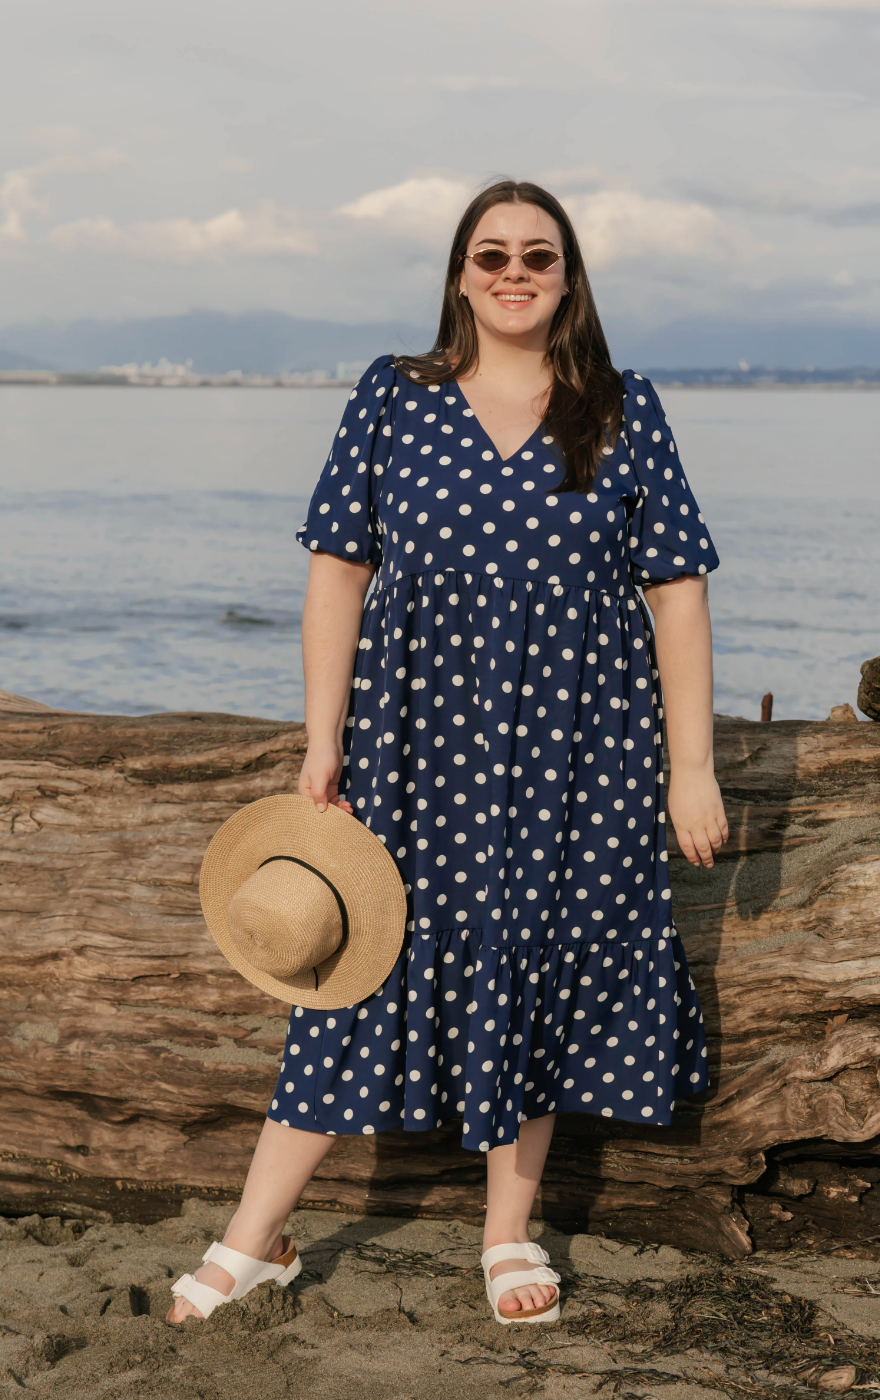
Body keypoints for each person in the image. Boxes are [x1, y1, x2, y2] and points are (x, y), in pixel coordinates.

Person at [167, 178, 727, 1327]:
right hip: (414, 745)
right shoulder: (394, 395)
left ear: (569, 276)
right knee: (349, 972)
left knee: (531, 958)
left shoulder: (622, 407)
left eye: (537, 254)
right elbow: (337, 566)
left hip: (585, 747)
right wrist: (322, 739)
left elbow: (675, 591)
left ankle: (505, 1226)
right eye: (490, 255)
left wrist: (690, 764)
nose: (513, 272)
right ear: (459, 275)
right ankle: (253, 1233)